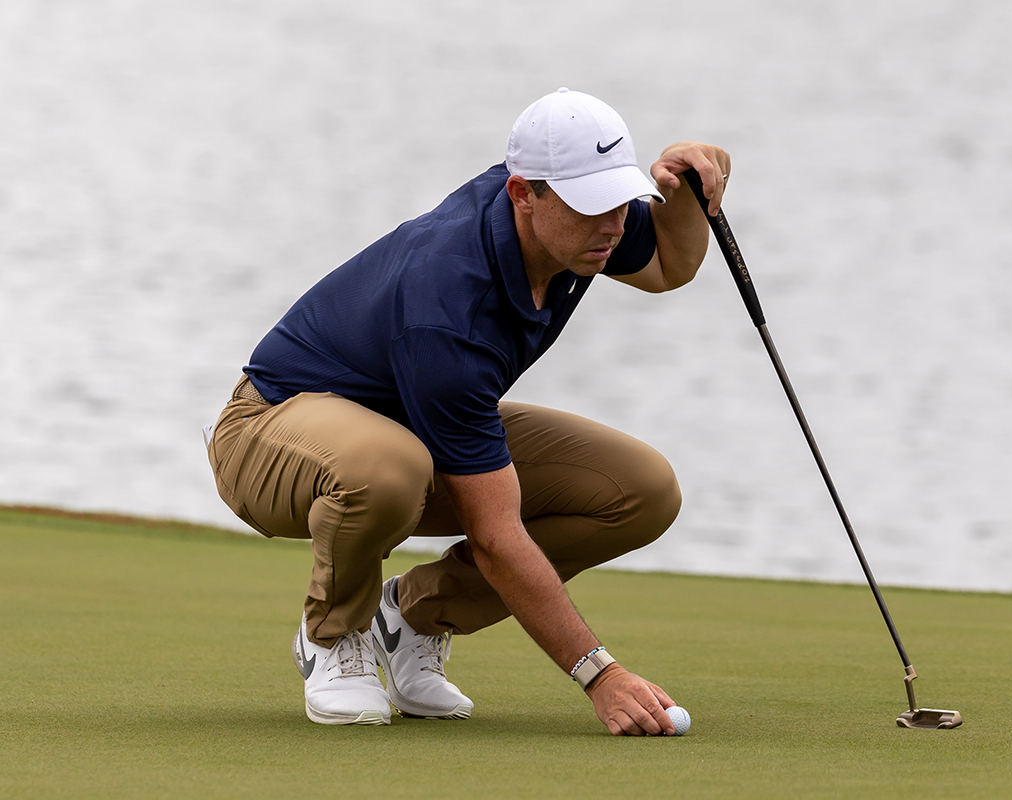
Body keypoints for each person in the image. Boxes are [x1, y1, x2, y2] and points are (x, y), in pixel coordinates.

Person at [206, 87, 730, 736]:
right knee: (388, 469)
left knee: (641, 490)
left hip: (411, 429)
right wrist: (599, 672)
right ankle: (333, 636)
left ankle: (410, 619)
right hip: (268, 434)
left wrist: (693, 190)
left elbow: (667, 264)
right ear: (522, 195)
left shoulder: (581, 224)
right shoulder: (449, 301)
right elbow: (496, 536)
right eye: (593, 207)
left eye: (622, 201)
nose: (615, 226)